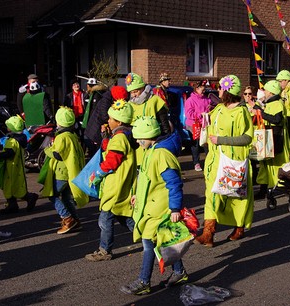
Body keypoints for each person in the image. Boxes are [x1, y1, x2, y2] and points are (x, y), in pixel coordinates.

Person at [120, 117, 188, 295]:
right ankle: (179, 272)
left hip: (159, 209)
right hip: (151, 207)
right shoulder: (151, 151)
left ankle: (144, 281)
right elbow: (146, 179)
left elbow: (174, 183)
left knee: (149, 243)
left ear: (146, 136)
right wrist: (137, 195)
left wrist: (175, 209)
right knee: (164, 242)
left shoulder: (161, 154)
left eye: (138, 137)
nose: (136, 141)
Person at [194, 75, 254, 247]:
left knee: (236, 196)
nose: (218, 90)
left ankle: (239, 227)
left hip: (233, 162)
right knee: (212, 195)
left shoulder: (242, 112)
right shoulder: (219, 108)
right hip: (215, 161)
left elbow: (247, 137)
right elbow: (210, 123)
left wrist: (222, 140)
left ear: (228, 91)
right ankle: (208, 233)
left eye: (221, 88)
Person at [85, 100, 138, 261]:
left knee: (105, 219)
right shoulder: (123, 135)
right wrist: (106, 136)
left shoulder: (119, 138)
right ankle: (149, 238)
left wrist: (98, 173)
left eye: (110, 118)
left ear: (119, 121)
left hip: (116, 184)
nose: (108, 121)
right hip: (121, 183)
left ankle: (104, 250)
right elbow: (110, 149)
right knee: (124, 216)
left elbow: (112, 161)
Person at [41, 107, 88, 233]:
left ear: (59, 122)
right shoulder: (72, 135)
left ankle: (67, 218)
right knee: (67, 197)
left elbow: (58, 155)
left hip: (62, 172)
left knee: (53, 195)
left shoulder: (62, 137)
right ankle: (76, 220)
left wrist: (48, 149)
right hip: (70, 172)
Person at [252, 80, 290, 200]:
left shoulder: (278, 103)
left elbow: (277, 119)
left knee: (275, 165)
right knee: (265, 164)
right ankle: (264, 189)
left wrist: (261, 113)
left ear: (271, 92)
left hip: (275, 138)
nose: (264, 92)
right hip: (267, 137)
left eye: (265, 90)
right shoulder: (268, 103)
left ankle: (277, 188)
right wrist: (258, 106)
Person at [125, 72, 170, 166]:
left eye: (136, 91)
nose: (134, 95)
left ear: (143, 88)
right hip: (137, 147)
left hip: (153, 145)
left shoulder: (155, 100)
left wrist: (163, 143)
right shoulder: (129, 105)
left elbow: (165, 125)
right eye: (131, 92)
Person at [0, 115, 38, 214]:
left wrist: (0, 155)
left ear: (12, 128)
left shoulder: (12, 141)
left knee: (13, 186)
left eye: (8, 126)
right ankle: (12, 204)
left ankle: (29, 197)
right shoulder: (20, 139)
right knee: (13, 186)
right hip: (17, 167)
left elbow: (10, 153)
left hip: (11, 167)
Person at [83, 85, 127, 157]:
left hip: (97, 129)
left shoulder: (106, 98)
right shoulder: (106, 101)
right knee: (97, 153)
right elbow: (104, 116)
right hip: (96, 130)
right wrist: (115, 121)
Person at [184, 80, 212, 172]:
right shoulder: (190, 100)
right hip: (193, 125)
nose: (204, 91)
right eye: (202, 89)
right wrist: (200, 114)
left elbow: (211, 110)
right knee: (195, 144)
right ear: (197, 89)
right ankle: (196, 163)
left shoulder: (207, 99)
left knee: (206, 143)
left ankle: (210, 161)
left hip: (204, 124)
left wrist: (209, 111)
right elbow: (189, 114)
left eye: (204, 90)